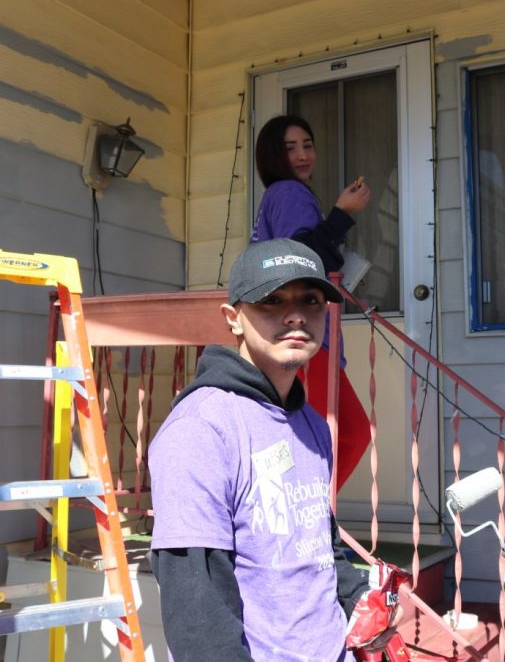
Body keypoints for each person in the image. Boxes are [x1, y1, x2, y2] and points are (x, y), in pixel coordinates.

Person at [149, 239, 378, 661]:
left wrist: (358, 597)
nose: (295, 316)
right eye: (271, 300)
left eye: (310, 300)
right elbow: (195, 603)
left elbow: (319, 546)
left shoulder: (310, 423)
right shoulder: (200, 430)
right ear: (233, 318)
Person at [251, 114, 372, 490]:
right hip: (302, 336)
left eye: (308, 145)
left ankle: (307, 520)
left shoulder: (278, 195)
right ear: (273, 155)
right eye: (290, 148)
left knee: (315, 438)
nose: (303, 155)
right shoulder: (289, 193)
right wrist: (342, 214)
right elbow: (297, 259)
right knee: (347, 433)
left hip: (290, 335)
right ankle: (309, 520)